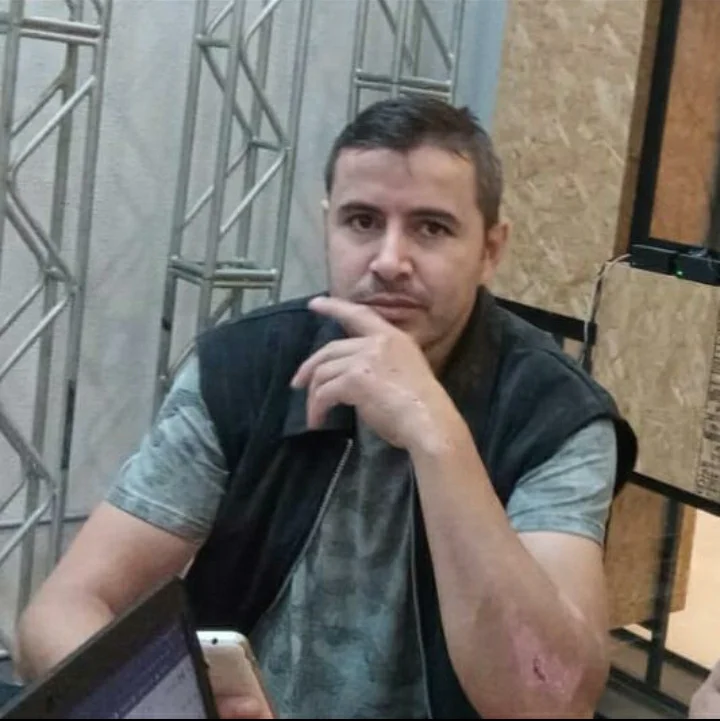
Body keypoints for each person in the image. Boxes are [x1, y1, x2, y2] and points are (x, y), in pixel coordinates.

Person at [13, 95, 637, 719]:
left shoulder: (556, 416)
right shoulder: (245, 368)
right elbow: (59, 613)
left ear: (491, 250)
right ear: (327, 227)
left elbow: (549, 701)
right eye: (362, 221)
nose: (389, 262)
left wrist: (436, 433)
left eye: (432, 228)